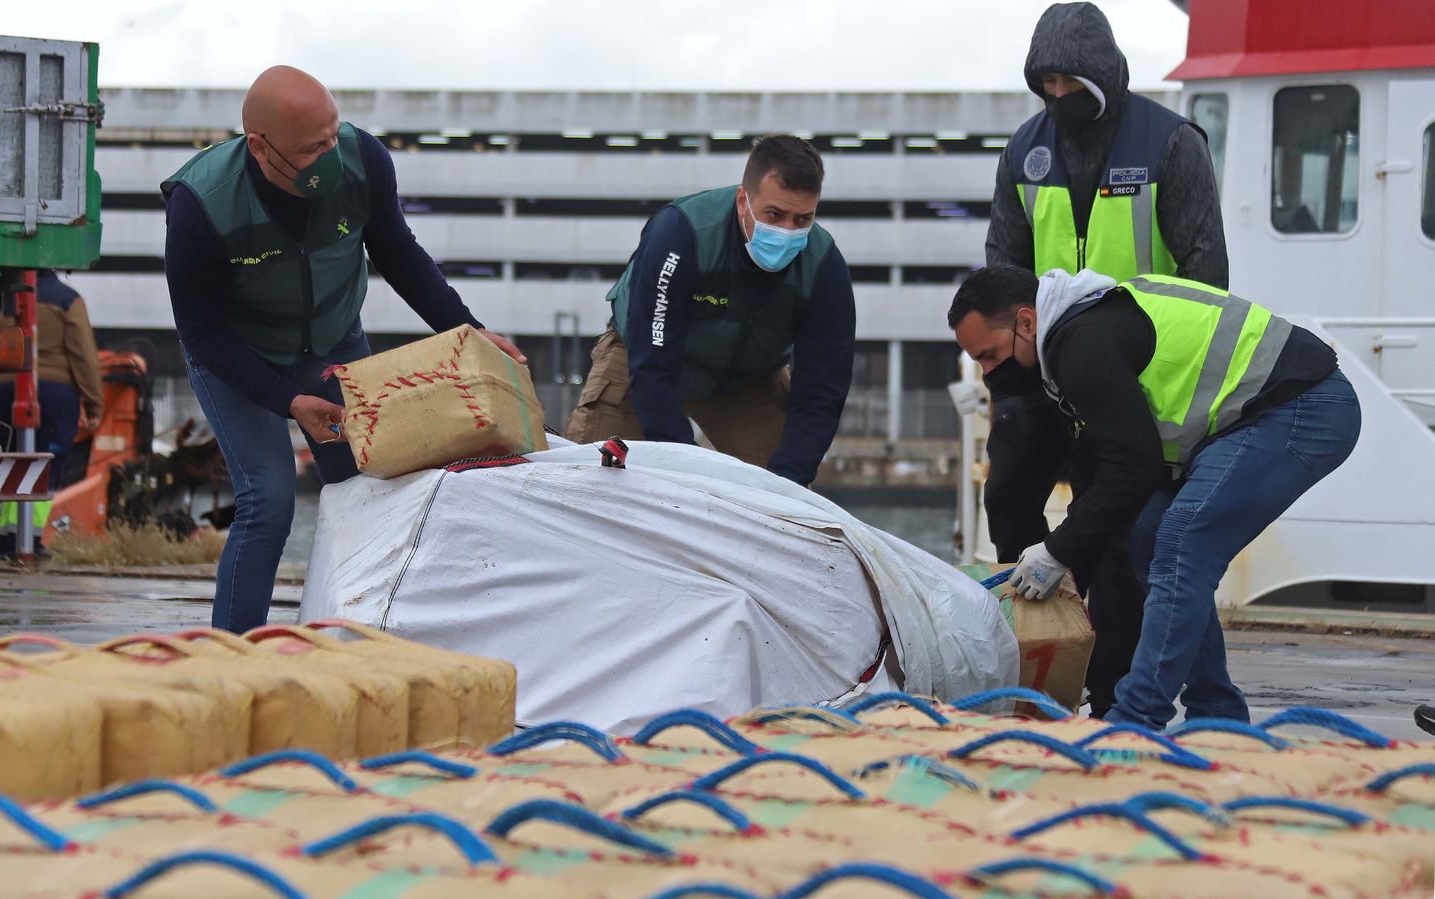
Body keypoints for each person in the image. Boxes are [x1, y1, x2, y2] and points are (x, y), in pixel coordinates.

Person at [161, 66, 524, 634]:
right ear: (260, 147)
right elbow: (202, 333)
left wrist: (469, 331)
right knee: (269, 500)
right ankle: (229, 652)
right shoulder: (202, 205)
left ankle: (355, 630)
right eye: (313, 148)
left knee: (366, 487)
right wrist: (287, 400)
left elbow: (399, 254)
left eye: (334, 135)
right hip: (240, 357)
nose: (331, 155)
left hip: (331, 343)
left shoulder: (364, 161)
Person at [949, 266, 1357, 730]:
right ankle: (1218, 714)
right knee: (1147, 537)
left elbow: (1133, 466)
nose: (987, 373)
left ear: (1026, 322)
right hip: (1251, 417)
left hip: (1303, 407)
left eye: (990, 355)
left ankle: (1137, 718)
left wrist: (1057, 550)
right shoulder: (1082, 329)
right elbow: (1111, 464)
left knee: (1181, 544)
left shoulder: (1081, 345)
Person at [980, 0, 1228, 719]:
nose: (1056, 96)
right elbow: (1004, 272)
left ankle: (1114, 694)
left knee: (1118, 531)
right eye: (1044, 82)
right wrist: (1016, 391)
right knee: (1008, 498)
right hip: (1049, 371)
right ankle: (1032, 660)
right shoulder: (1023, 152)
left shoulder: (1172, 147)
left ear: (1102, 75)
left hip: (1137, 377)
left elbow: (1207, 279)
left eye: (1068, 82)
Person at [563, 135, 855, 487]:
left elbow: (822, 390)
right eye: (774, 215)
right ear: (743, 201)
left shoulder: (824, 266)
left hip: (748, 382)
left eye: (802, 219)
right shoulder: (681, 233)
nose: (787, 231)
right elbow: (653, 363)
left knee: (780, 494)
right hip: (640, 362)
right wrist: (686, 476)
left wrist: (788, 485)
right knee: (586, 484)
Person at [0, 270, 106, 558]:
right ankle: (29, 543)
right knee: (46, 466)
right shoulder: (67, 299)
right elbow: (83, 356)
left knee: (5, 463)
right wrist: (95, 402)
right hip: (54, 394)